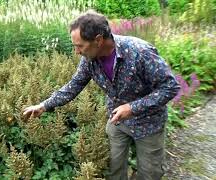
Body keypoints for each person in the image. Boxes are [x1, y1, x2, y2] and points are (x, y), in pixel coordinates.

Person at [22, 10, 180, 180]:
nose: (76, 52)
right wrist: (44, 105)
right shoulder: (90, 59)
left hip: (149, 123)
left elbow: (170, 87)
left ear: (98, 40)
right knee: (114, 169)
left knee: (150, 174)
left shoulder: (140, 52)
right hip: (117, 121)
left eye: (80, 46)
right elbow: (74, 85)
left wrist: (133, 108)